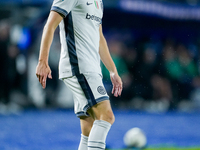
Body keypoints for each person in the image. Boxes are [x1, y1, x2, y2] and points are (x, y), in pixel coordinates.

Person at [35, 0, 123, 149]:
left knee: (89, 126)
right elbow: (50, 24)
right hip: (79, 66)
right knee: (106, 116)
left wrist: (113, 70)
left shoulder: (98, 2)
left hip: (91, 68)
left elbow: (99, 37)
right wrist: (42, 60)